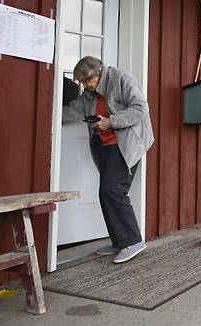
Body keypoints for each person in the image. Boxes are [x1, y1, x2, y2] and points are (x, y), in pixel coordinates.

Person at [63, 56, 154, 264]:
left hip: (125, 144)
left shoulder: (121, 79)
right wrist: (49, 115)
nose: (85, 86)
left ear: (99, 72)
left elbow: (141, 109)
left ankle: (133, 241)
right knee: (106, 193)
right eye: (83, 83)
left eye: (88, 81)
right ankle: (119, 241)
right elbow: (75, 109)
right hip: (104, 146)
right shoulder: (89, 93)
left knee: (112, 190)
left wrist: (110, 122)